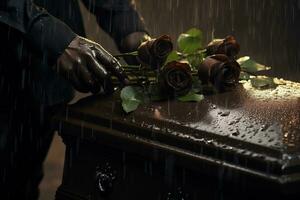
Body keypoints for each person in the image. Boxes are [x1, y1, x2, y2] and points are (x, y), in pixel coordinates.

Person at [0, 0, 150, 199]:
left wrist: (131, 30)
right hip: (10, 62)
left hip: (45, 79)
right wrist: (50, 35)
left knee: (21, 181)